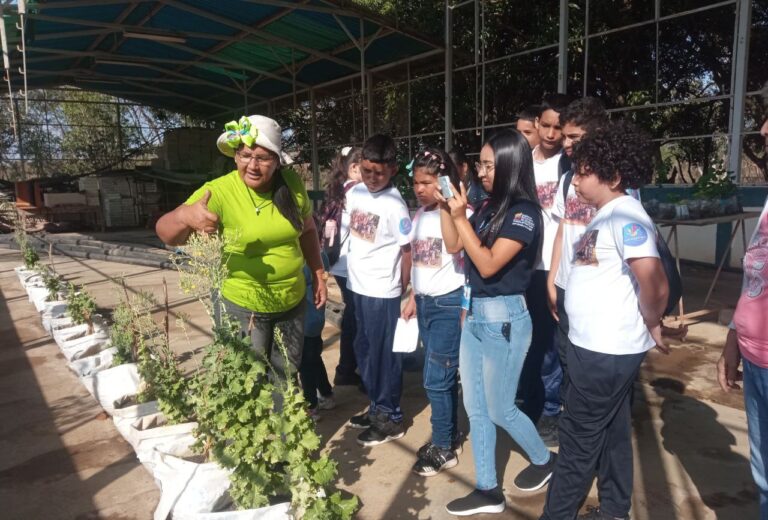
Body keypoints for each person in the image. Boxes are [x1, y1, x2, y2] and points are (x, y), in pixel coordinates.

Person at [541, 120, 669, 520]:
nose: (575, 180)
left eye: (583, 172)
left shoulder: (626, 216)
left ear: (612, 176)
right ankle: (614, 509)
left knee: (577, 443)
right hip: (592, 347)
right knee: (612, 430)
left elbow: (655, 281)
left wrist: (652, 320)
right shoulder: (605, 214)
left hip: (605, 353)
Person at [438, 129, 556, 516]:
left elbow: (488, 264)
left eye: (490, 165)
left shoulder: (524, 214)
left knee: (500, 407)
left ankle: (544, 459)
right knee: (475, 407)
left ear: (510, 166)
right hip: (474, 317)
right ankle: (488, 488)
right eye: (482, 164)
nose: (483, 172)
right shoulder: (488, 207)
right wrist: (445, 208)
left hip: (504, 319)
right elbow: (456, 245)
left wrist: (461, 217)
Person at [155, 115, 326, 380]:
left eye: (263, 158)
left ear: (278, 161)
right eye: (246, 155)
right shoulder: (219, 193)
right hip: (243, 305)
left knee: (286, 376)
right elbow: (165, 232)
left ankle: (280, 422)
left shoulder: (291, 185)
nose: (253, 165)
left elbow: (309, 230)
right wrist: (185, 216)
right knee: (246, 379)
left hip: (292, 301)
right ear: (235, 156)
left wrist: (317, 273)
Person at [401, 148, 467, 477]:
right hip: (426, 302)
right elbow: (418, 259)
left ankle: (443, 447)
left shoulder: (455, 212)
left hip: (447, 303)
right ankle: (448, 435)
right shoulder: (419, 214)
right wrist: (413, 295)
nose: (420, 189)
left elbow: (455, 246)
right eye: (416, 182)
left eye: (427, 182)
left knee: (436, 380)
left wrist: (446, 203)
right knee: (441, 377)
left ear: (443, 181)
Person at [717, 101, 768, 518]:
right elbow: (756, 276)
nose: (764, 133)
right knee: (763, 475)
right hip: (755, 357)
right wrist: (734, 337)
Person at [345, 134, 413, 447]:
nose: (372, 179)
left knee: (384, 356)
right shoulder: (356, 192)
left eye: (380, 173)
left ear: (393, 169)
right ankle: (376, 407)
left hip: (383, 291)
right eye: (367, 171)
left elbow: (408, 250)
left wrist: (404, 291)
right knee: (365, 351)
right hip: (356, 285)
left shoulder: (395, 205)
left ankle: (391, 417)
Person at [546, 97, 609, 407]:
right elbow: (561, 229)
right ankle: (569, 419)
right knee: (567, 359)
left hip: (596, 291)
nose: (565, 142)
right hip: (565, 284)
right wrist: (553, 278)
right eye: (565, 135)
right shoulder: (567, 180)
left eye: (574, 137)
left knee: (592, 366)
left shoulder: (616, 181)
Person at [519, 93, 571, 445]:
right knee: (528, 337)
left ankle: (552, 410)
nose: (551, 134)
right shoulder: (522, 162)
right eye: (546, 125)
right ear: (537, 124)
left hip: (554, 267)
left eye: (559, 128)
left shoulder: (569, 166)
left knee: (552, 343)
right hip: (523, 263)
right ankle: (530, 398)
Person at [320, 146, 364, 388]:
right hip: (352, 266)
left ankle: (347, 367)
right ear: (354, 168)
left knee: (352, 315)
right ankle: (346, 369)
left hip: (338, 263)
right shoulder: (359, 191)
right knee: (356, 318)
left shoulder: (339, 190)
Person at [300, 253, 335, 421]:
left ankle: (311, 406)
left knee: (305, 364)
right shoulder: (321, 255)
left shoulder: (299, 259)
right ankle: (326, 394)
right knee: (314, 358)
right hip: (316, 317)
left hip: (304, 320)